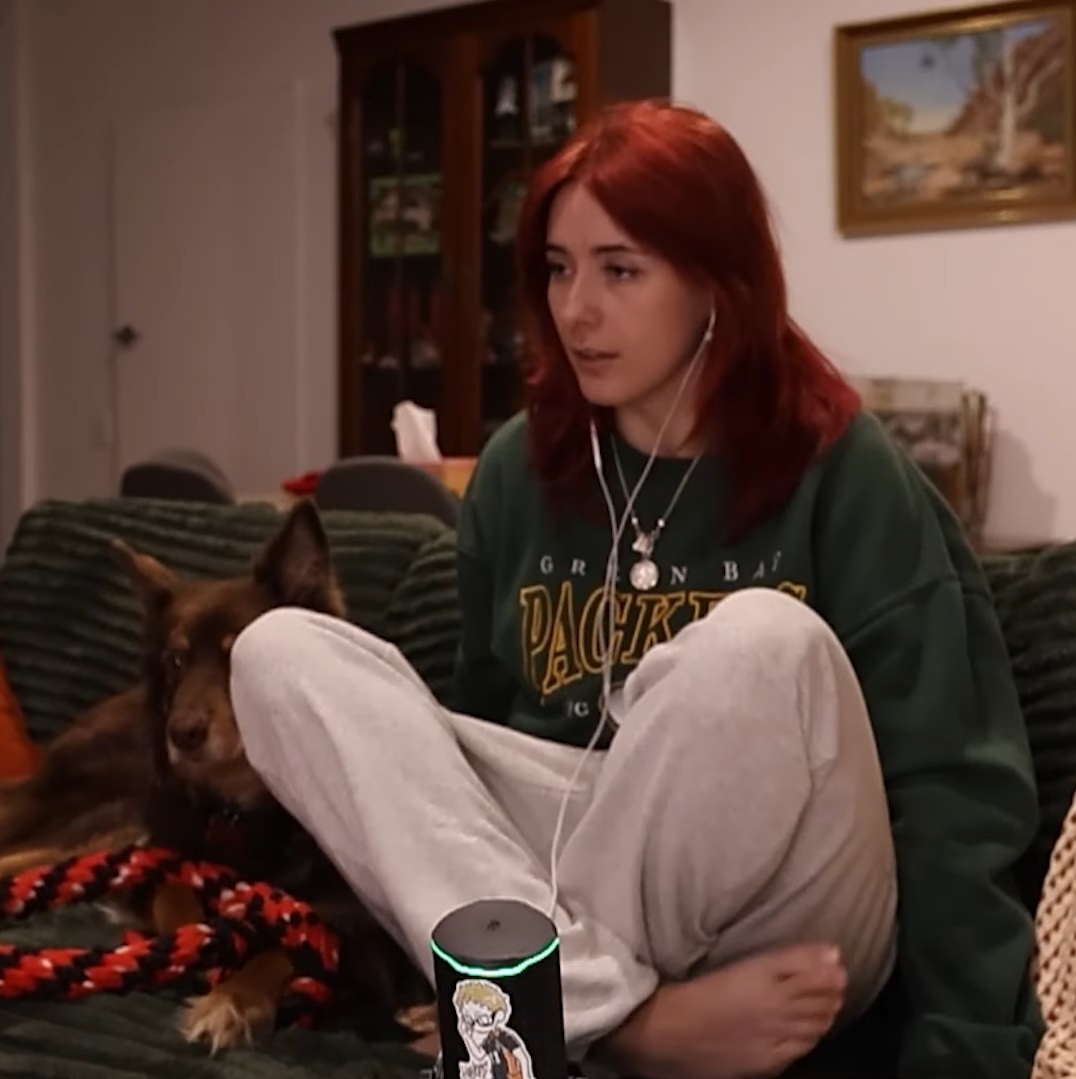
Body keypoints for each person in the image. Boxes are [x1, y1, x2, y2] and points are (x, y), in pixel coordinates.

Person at [230, 100, 1043, 1078]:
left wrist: (966, 1050)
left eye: (619, 270)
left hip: (794, 895)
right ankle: (623, 1023)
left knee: (760, 640)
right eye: (557, 267)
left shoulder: (841, 466)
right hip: (577, 865)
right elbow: (474, 747)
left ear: (716, 281)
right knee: (276, 650)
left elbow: (950, 782)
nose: (575, 309)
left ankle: (532, 1015)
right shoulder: (515, 468)